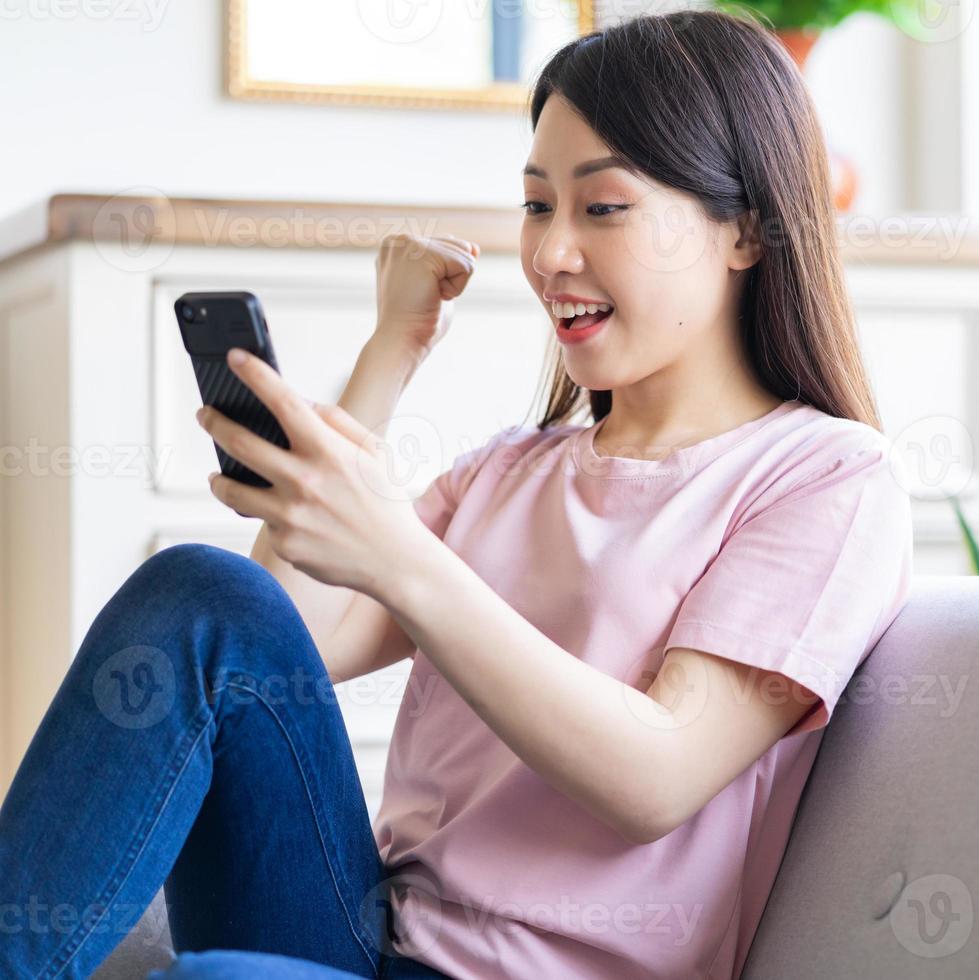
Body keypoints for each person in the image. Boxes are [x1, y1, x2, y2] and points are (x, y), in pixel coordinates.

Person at [0, 9, 914, 979]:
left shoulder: (827, 477)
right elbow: (279, 640)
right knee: (201, 592)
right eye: (535, 205)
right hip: (371, 935)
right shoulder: (508, 469)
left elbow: (659, 772)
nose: (552, 253)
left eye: (602, 207)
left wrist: (405, 555)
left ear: (743, 230)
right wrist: (391, 352)